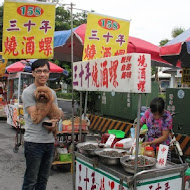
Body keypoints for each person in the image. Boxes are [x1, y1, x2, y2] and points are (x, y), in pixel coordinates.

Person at [22, 59, 62, 190]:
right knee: (30, 181)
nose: (42, 74)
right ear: (33, 73)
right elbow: (36, 118)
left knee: (43, 180)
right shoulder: (28, 92)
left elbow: (57, 115)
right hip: (34, 143)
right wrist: (49, 100)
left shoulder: (53, 93)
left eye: (45, 71)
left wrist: (55, 122)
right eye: (38, 71)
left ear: (49, 73)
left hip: (49, 142)